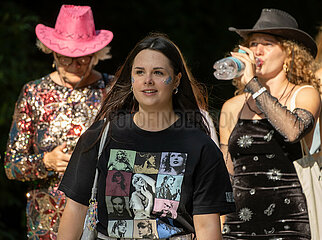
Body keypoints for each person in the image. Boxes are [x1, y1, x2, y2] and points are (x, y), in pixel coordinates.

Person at [57, 33, 235, 240]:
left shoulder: (200, 146)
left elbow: (206, 227)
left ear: (176, 80)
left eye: (158, 73)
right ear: (131, 79)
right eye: (140, 72)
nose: (148, 80)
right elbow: (75, 211)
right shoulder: (100, 136)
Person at [3, 5, 114, 239]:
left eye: (82, 58)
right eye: (66, 58)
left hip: (100, 219)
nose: (74, 65)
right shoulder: (34, 93)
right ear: (52, 53)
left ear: (95, 54)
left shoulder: (112, 91)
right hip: (47, 223)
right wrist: (47, 161)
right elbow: (11, 165)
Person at [218, 9, 320, 239]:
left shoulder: (305, 94)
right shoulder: (232, 107)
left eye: (268, 43)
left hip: (290, 221)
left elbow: (292, 131)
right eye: (253, 44)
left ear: (290, 54)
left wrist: (253, 84)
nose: (258, 51)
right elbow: (227, 174)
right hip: (239, 224)